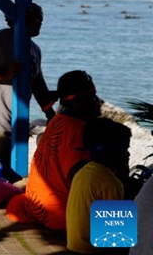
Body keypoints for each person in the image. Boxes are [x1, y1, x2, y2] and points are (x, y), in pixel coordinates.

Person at [0, 3, 55, 182]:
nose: (40, 24)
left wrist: (52, 115)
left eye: (41, 20)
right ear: (23, 20)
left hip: (18, 126)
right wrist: (3, 75)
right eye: (37, 19)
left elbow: (38, 86)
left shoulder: (34, 49)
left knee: (13, 178)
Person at [6, 70, 103, 230]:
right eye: (91, 97)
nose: (96, 102)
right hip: (61, 215)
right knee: (115, 192)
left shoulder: (57, 120)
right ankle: (119, 245)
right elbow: (80, 181)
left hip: (37, 207)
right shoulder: (80, 131)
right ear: (77, 102)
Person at [66, 117, 131, 253]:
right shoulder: (110, 183)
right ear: (110, 153)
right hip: (92, 250)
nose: (128, 155)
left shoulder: (84, 171)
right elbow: (115, 239)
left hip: (74, 246)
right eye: (125, 149)